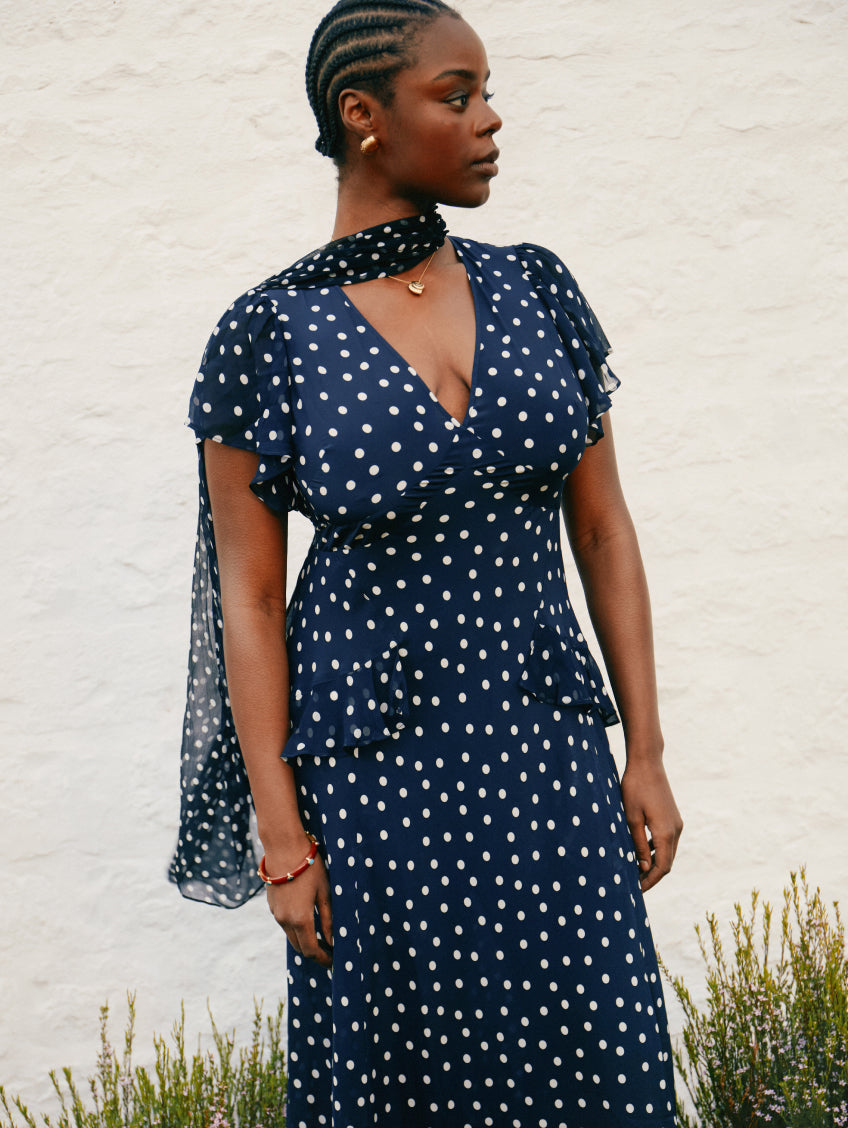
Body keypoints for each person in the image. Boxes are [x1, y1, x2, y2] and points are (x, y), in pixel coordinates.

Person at [170, 0, 684, 1124]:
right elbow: (249, 601)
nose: (490, 120)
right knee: (407, 1066)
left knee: (590, 1047)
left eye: (486, 93)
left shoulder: (536, 288)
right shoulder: (269, 333)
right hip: (376, 778)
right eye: (457, 97)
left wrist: (644, 751)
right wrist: (282, 841)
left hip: (546, 752)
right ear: (363, 115)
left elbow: (602, 528)